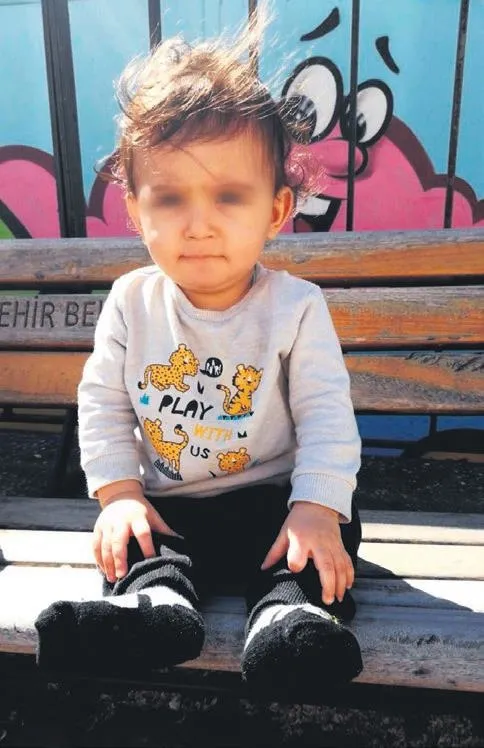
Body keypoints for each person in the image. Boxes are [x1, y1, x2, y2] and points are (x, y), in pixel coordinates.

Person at [35, 19, 363, 694]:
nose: (199, 223)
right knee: (139, 543)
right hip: (171, 507)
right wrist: (119, 495)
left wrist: (316, 507)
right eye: (170, 198)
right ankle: (156, 610)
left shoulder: (295, 307)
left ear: (276, 211)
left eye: (229, 196)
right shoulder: (132, 301)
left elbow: (327, 415)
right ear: (136, 212)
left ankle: (288, 620)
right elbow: (103, 402)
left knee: (316, 542)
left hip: (274, 503)